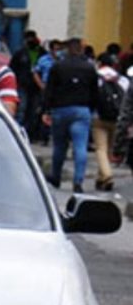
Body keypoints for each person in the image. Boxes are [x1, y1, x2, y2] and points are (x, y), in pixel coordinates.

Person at [43, 38, 100, 193]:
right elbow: (95, 92)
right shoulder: (89, 68)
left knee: (60, 146)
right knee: (80, 146)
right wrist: (92, 109)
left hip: (60, 110)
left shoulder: (58, 66)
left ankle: (56, 177)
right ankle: (78, 181)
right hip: (81, 110)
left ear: (68, 49)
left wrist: (46, 110)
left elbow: (49, 90)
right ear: (81, 49)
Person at [93, 53, 129, 191]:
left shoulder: (96, 76)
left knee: (100, 149)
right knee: (109, 149)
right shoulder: (122, 79)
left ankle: (107, 175)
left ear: (100, 63)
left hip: (98, 117)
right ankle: (100, 178)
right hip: (117, 118)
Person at [10, 30, 44, 134]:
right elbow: (12, 68)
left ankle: (30, 132)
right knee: (22, 109)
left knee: (33, 110)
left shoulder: (42, 53)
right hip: (22, 85)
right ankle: (17, 131)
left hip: (37, 86)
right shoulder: (20, 53)